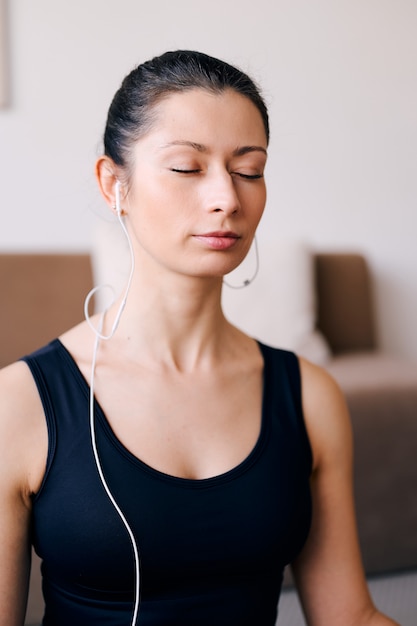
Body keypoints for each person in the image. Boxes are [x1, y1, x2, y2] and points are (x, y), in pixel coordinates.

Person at [0, 50, 399, 626]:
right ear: (115, 184)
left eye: (249, 170)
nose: (227, 199)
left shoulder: (309, 395)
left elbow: (350, 617)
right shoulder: (20, 405)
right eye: (187, 168)